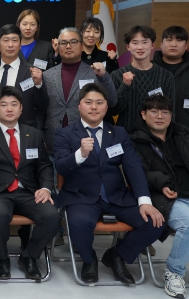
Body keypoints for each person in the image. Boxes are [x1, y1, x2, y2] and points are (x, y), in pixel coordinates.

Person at [54, 83, 164, 284]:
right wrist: (80, 154)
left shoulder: (119, 133)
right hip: (81, 197)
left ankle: (117, 256)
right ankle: (89, 261)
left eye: (99, 102)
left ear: (106, 106)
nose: (94, 107)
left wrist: (145, 201)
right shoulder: (65, 133)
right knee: (79, 223)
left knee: (154, 223)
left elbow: (133, 168)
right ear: (79, 106)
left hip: (117, 196)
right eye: (88, 102)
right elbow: (60, 166)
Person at [130, 94, 189, 299]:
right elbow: (136, 173)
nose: (160, 116)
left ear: (171, 115)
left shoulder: (183, 135)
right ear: (143, 114)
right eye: (154, 111)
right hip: (165, 199)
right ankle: (174, 272)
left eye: (165, 112)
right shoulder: (136, 140)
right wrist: (161, 182)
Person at [0, 86, 59, 280]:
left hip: (28, 191)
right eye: (4, 105)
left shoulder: (34, 134)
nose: (9, 108)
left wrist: (46, 188)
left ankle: (29, 256)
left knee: (51, 216)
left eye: (14, 104)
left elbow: (44, 166)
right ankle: (2, 258)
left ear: (21, 108)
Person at [42, 27, 117, 157]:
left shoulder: (94, 73)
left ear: (82, 46)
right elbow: (40, 109)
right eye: (64, 43)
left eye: (73, 42)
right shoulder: (47, 75)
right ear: (58, 46)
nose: (68, 46)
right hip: (52, 142)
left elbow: (112, 102)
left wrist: (104, 76)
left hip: (86, 142)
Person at [0, 24, 47, 131]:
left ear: (20, 45)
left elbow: (42, 105)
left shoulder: (32, 72)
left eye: (15, 40)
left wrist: (39, 85)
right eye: (6, 40)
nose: (10, 45)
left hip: (24, 131)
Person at [111, 25, 175, 133]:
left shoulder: (166, 76)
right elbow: (113, 110)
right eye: (135, 43)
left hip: (155, 136)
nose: (140, 47)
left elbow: (170, 111)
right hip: (126, 136)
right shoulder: (117, 75)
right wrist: (125, 86)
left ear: (152, 45)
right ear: (128, 47)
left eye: (145, 42)